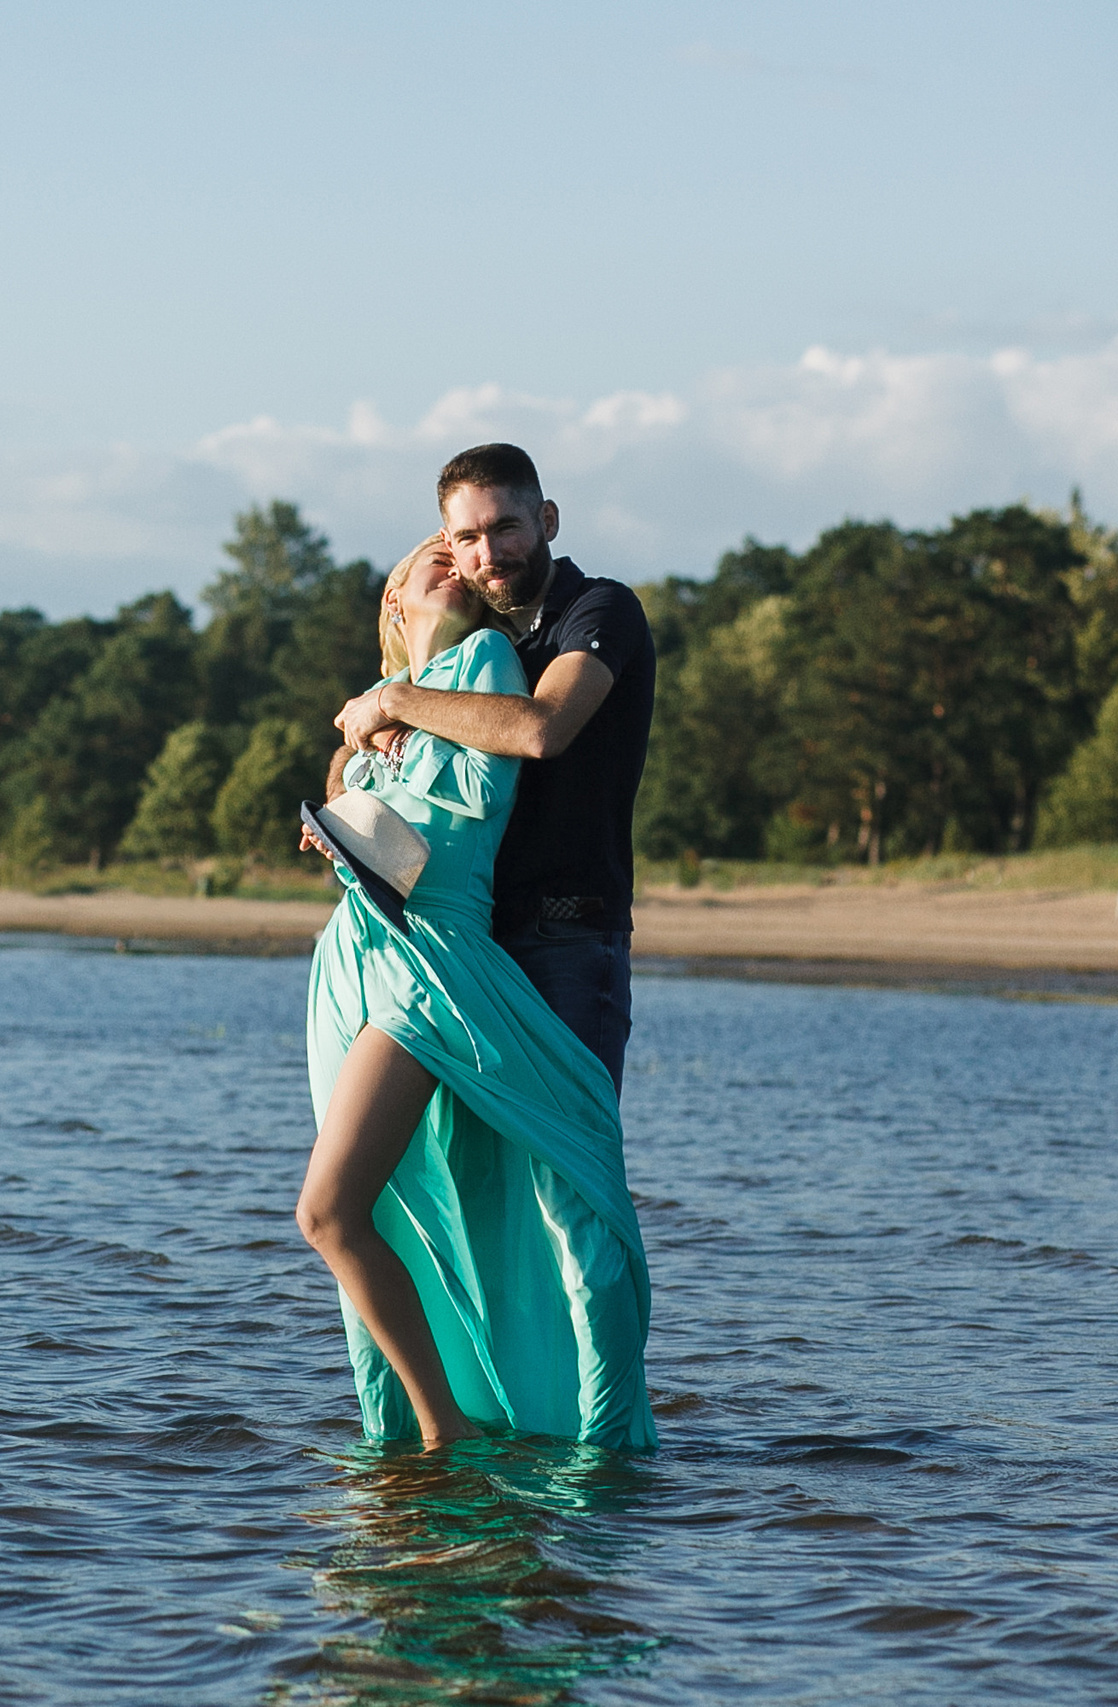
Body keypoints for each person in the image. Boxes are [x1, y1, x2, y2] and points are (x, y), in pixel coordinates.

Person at [295, 531, 654, 1451]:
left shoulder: (484, 660)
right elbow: (357, 785)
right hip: (358, 960)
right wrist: (348, 765)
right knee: (399, 1203)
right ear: (393, 602)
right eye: (435, 560)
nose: (457, 567)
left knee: (329, 1208)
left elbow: (456, 813)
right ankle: (438, 1419)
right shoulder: (393, 708)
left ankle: (440, 1426)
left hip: (430, 955)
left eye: (466, 559)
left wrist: (380, 726)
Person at [332, 444, 654, 1093]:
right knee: (482, 1180)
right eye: (467, 538)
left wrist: (398, 703)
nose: (488, 552)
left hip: (566, 935)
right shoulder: (465, 652)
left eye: (506, 526)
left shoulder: (595, 610)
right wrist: (341, 788)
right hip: (469, 940)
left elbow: (541, 728)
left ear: (548, 521)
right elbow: (351, 748)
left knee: (568, 1163)